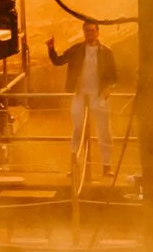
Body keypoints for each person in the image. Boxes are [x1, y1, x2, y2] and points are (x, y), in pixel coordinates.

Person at [51, 20, 122, 187]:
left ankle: (107, 166)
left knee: (104, 130)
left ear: (98, 32)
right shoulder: (77, 50)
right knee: (77, 129)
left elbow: (114, 76)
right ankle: (75, 164)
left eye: (92, 31)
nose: (89, 34)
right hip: (80, 93)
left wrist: (108, 88)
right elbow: (58, 61)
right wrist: (50, 49)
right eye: (87, 31)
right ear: (84, 32)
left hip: (98, 95)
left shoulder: (106, 52)